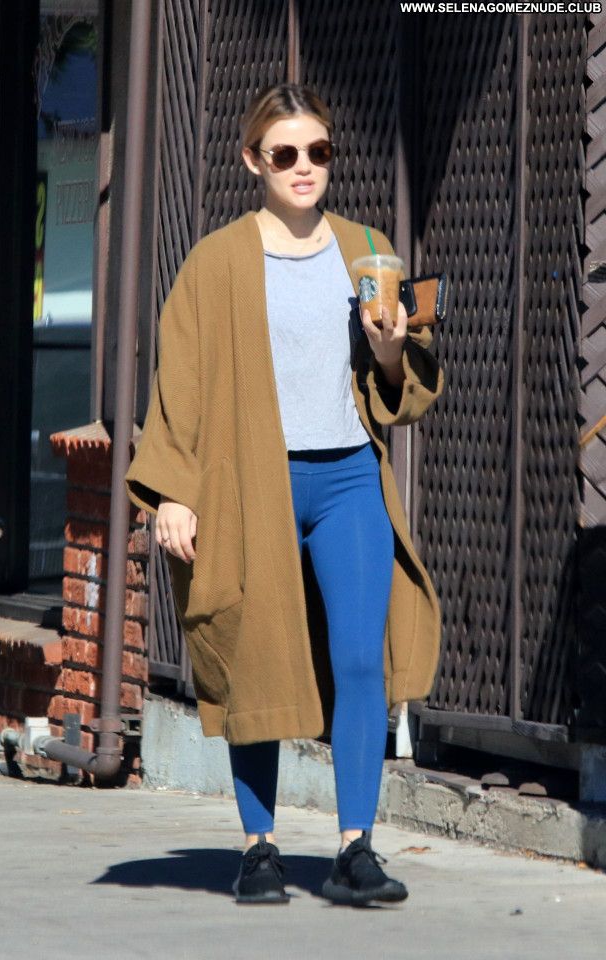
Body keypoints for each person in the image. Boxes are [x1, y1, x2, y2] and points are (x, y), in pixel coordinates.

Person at [125, 83, 444, 907]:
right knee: (256, 655)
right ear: (253, 161)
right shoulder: (217, 262)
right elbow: (181, 383)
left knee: (360, 660)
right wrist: (173, 494)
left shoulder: (367, 248)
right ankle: (258, 848)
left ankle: (354, 848)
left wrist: (388, 351)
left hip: (348, 479)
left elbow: (402, 385)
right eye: (286, 153)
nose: (305, 167)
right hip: (250, 484)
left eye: (319, 151)